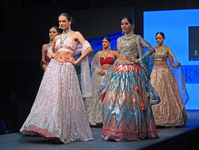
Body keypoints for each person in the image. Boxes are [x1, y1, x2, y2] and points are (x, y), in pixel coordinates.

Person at [20, 13, 93, 143]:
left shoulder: (76, 34)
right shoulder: (57, 37)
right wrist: (52, 55)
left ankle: (63, 132)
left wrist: (77, 61)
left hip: (67, 68)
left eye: (64, 21)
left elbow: (88, 48)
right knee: (53, 98)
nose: (61, 24)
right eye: (59, 22)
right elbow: (49, 51)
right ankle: (53, 130)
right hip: (55, 67)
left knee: (65, 98)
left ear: (70, 22)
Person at [98, 17, 160, 141]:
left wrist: (140, 60)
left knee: (133, 100)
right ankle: (115, 130)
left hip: (132, 71)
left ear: (132, 25)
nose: (124, 26)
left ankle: (132, 130)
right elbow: (120, 55)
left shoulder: (137, 38)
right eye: (122, 24)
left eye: (126, 24)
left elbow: (151, 49)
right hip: (119, 71)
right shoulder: (119, 39)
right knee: (116, 99)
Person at [150, 32, 189, 127]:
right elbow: (150, 63)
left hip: (165, 73)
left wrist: (177, 65)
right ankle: (155, 119)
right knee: (156, 94)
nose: (158, 40)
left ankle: (172, 118)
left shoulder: (167, 49)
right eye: (157, 38)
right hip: (155, 73)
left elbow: (171, 63)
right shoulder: (153, 49)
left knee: (168, 95)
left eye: (160, 38)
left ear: (163, 38)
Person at [86, 37, 118, 126]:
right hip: (101, 75)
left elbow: (119, 61)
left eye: (106, 42)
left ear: (109, 43)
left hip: (111, 75)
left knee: (109, 95)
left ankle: (110, 118)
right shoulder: (99, 53)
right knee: (99, 96)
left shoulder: (114, 53)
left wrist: (113, 69)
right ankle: (99, 119)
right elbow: (94, 65)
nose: (104, 44)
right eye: (103, 42)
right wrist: (98, 70)